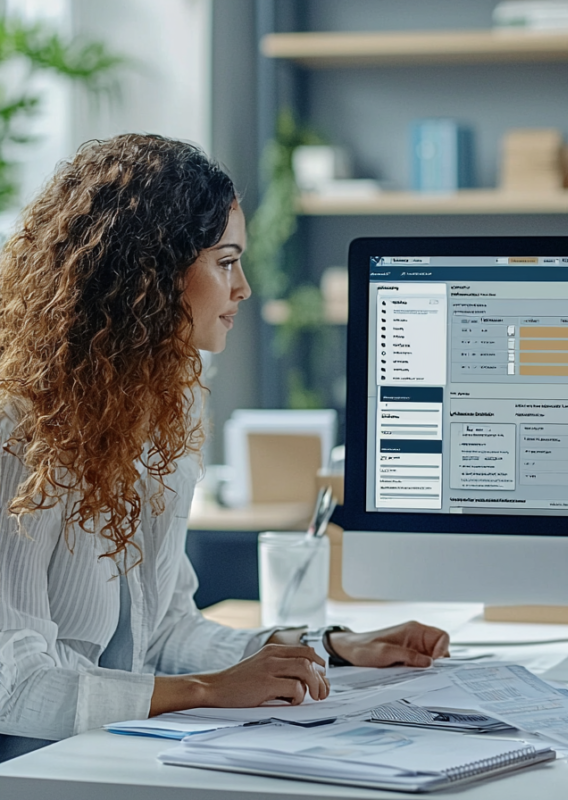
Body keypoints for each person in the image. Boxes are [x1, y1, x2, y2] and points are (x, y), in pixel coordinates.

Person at [0, 134, 450, 761]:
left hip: (107, 755)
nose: (243, 289)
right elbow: (13, 689)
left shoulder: (164, 408)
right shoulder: (19, 428)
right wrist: (207, 691)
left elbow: (165, 633)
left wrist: (330, 647)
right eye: (226, 261)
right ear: (150, 276)